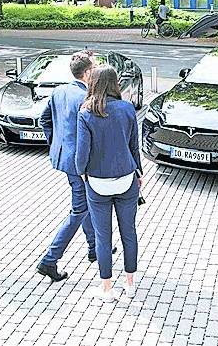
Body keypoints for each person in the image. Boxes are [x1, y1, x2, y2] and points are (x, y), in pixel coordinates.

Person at [36, 50, 113, 282]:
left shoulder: (59, 91)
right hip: (82, 165)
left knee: (86, 205)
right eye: (96, 67)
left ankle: (93, 249)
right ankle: (49, 260)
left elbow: (44, 120)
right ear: (88, 72)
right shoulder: (87, 99)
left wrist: (57, 146)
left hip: (65, 160)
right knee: (79, 210)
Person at [76, 65, 142, 302]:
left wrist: (82, 173)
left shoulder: (86, 113)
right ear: (115, 83)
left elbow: (81, 154)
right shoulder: (127, 109)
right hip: (126, 180)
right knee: (129, 233)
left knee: (103, 237)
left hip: (97, 182)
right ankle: (130, 283)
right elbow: (135, 145)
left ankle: (107, 289)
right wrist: (139, 172)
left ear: (92, 83)